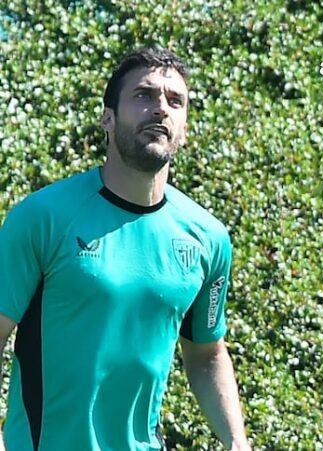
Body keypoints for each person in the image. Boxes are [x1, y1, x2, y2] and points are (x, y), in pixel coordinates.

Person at [0, 48, 251, 451]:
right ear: (108, 117)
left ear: (184, 128)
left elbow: (206, 354)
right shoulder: (42, 218)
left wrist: (238, 441)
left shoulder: (208, 238)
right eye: (143, 95)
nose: (160, 109)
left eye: (175, 101)